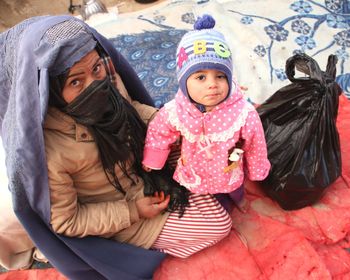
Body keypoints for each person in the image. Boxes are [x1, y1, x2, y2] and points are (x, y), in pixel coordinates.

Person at [0, 15, 232, 279]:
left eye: (96, 69)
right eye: (76, 82)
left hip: (143, 171)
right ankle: (142, 246)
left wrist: (171, 123)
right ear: (49, 91)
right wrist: (132, 212)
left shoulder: (107, 82)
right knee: (219, 224)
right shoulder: (50, 153)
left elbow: (131, 108)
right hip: (122, 212)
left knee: (208, 150)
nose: (95, 84)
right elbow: (67, 221)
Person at [142, 14, 271, 212]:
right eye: (201, 77)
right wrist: (153, 158)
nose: (212, 84)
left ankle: (238, 202)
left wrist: (257, 168)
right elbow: (159, 131)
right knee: (211, 199)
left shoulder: (242, 112)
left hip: (228, 169)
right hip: (195, 168)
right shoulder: (176, 110)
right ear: (184, 82)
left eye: (220, 76)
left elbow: (255, 143)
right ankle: (219, 206)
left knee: (235, 193)